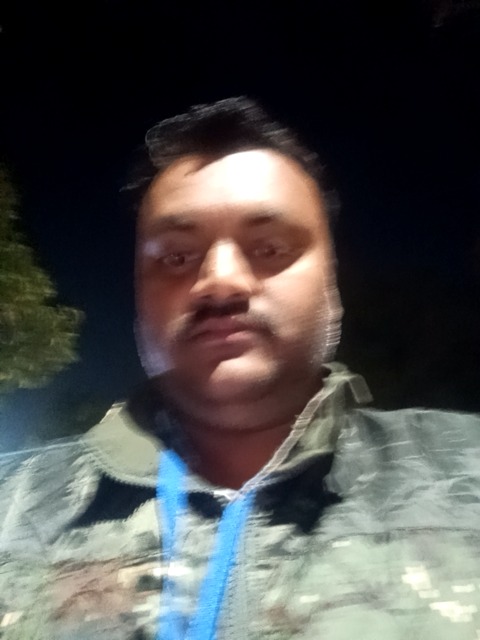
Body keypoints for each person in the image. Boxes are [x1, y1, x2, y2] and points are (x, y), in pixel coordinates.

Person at [1, 97, 480, 640]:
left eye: (269, 248)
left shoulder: (466, 469)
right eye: (177, 257)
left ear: (332, 290)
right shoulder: (10, 507)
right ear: (139, 297)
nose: (220, 281)